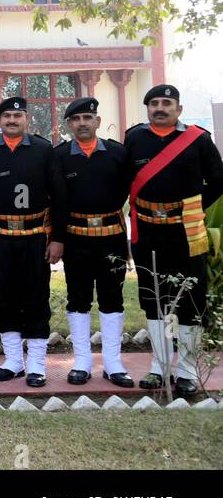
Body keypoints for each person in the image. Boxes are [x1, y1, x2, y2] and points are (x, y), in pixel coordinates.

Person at [124, 84, 223, 396]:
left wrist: (189, 209)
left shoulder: (199, 139)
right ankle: (159, 367)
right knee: (155, 299)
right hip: (149, 231)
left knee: (189, 300)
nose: (160, 107)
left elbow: (218, 180)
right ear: (148, 109)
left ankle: (188, 371)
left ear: (178, 109)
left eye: (167, 102)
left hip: (186, 233)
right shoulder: (135, 137)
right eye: (154, 103)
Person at [0, 96, 65, 387]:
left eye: (17, 115)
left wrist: (58, 238)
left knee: (36, 298)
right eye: (7, 116)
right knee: (4, 297)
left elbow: (60, 197)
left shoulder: (44, 150)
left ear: (27, 120)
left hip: (36, 237)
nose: (12, 120)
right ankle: (12, 361)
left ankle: (36, 364)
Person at [50, 98, 135, 387]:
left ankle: (113, 363)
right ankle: (82, 363)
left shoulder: (117, 153)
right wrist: (57, 239)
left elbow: (128, 190)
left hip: (111, 235)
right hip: (75, 238)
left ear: (97, 121)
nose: (82, 123)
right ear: (69, 124)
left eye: (88, 117)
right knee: (79, 298)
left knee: (112, 298)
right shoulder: (59, 156)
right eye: (76, 119)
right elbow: (56, 201)